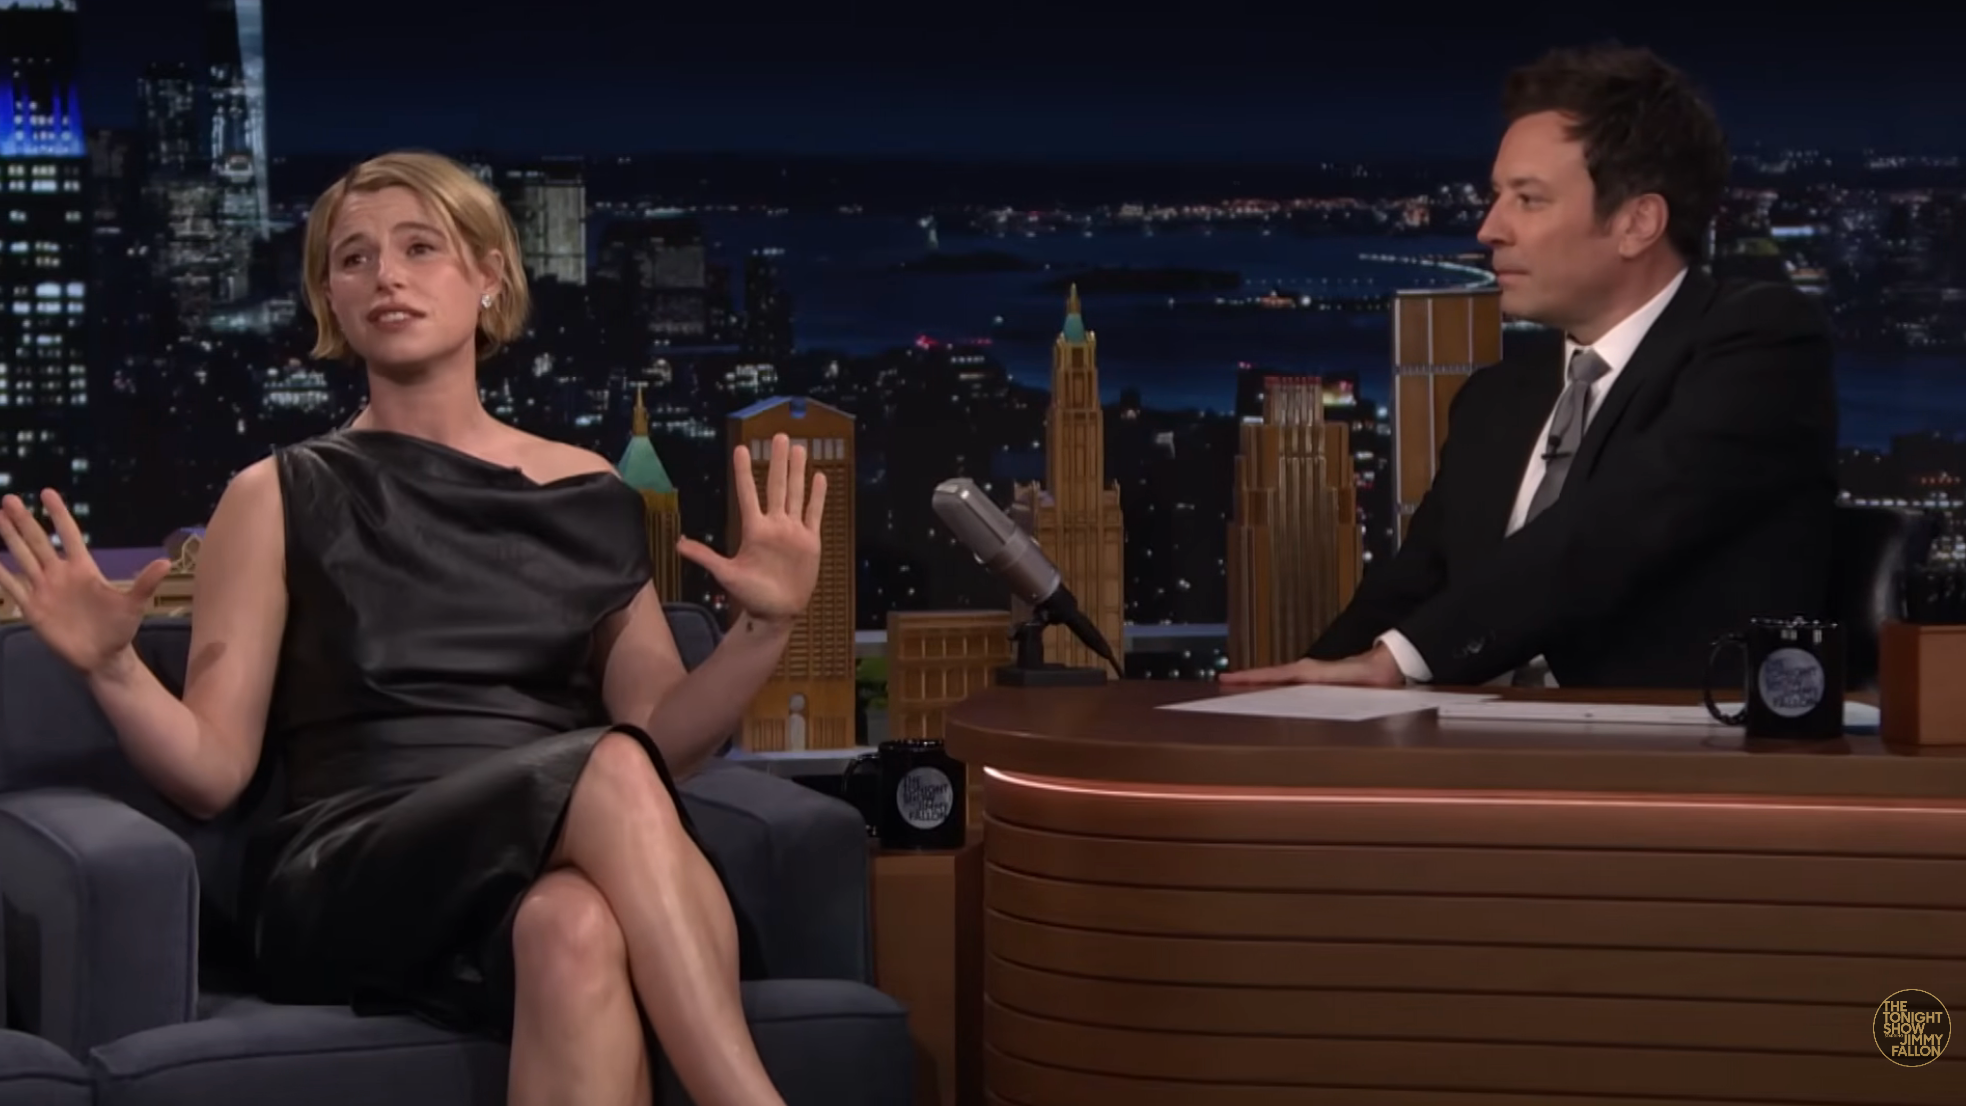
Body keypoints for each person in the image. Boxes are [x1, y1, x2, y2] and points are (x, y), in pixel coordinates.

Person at [0, 151, 822, 1106]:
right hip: (350, 866)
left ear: (489, 276)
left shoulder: (589, 490)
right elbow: (214, 768)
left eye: (419, 247)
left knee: (574, 930)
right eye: (354, 259)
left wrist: (766, 627)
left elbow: (662, 739)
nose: (385, 275)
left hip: (546, 857)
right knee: (608, 767)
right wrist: (112, 667)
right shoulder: (276, 493)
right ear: (331, 301)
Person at [1225, 44, 1837, 691]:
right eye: (1496, 197)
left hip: (1672, 744)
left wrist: (1401, 661)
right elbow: (1410, 592)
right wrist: (1293, 700)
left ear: (1637, 223)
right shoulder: (1497, 397)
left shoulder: (1761, 346)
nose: (1490, 229)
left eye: (1528, 199)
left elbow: (1617, 529)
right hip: (1463, 743)